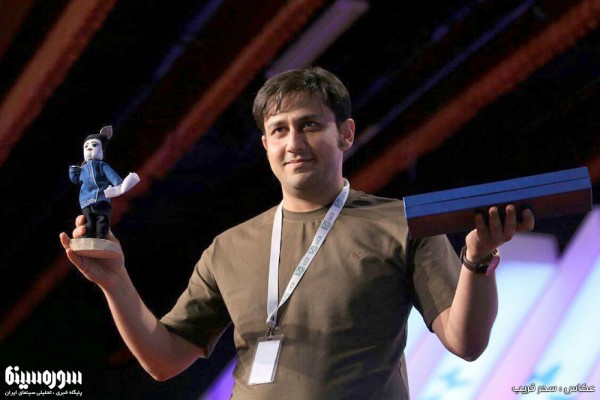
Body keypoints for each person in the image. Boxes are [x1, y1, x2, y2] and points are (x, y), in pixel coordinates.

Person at [59, 67, 534, 399]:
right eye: (279, 129)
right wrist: (115, 282)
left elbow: (466, 342)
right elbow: (163, 361)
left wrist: (477, 259)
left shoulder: (401, 224)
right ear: (265, 143)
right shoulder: (230, 247)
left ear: (345, 134)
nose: (294, 142)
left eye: (309, 125)